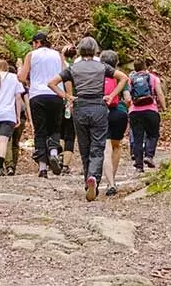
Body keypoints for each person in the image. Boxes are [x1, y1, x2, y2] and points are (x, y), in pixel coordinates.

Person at [47, 37, 128, 202]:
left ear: (79, 50)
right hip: (99, 107)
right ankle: (94, 179)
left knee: (84, 147)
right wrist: (112, 95)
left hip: (80, 107)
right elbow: (124, 78)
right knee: (98, 147)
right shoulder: (102, 66)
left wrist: (68, 97)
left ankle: (87, 181)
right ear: (95, 50)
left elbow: (52, 83)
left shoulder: (73, 68)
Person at [18, 32, 66, 177]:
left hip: (37, 95)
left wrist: (20, 68)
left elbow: (21, 77)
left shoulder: (31, 55)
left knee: (40, 130)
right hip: (56, 94)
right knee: (55, 127)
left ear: (37, 42)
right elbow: (65, 73)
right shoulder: (58, 55)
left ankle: (43, 168)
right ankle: (53, 152)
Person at [100, 50, 131, 197]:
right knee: (116, 146)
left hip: (103, 112)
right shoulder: (120, 77)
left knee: (106, 149)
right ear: (116, 63)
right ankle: (112, 180)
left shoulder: (98, 75)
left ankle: (110, 182)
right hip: (119, 113)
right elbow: (128, 98)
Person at [128, 58, 166, 171]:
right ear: (145, 67)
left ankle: (139, 166)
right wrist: (164, 107)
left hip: (135, 111)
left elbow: (128, 95)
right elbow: (159, 93)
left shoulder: (130, 79)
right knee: (153, 135)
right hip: (151, 110)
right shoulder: (153, 78)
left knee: (138, 138)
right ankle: (149, 156)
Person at [60, 45, 78, 174]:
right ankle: (65, 165)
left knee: (59, 132)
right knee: (70, 135)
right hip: (74, 102)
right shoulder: (76, 68)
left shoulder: (60, 66)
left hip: (59, 102)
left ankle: (58, 158)